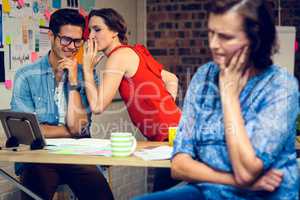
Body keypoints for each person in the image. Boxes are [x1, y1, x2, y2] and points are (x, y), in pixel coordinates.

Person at [134, 0, 299, 199]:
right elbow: (179, 165)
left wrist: (229, 96)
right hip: (211, 192)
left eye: (225, 37)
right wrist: (232, 180)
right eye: (211, 33)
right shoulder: (204, 76)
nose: (213, 45)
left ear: (256, 40)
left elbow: (246, 171)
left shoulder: (281, 85)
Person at [10, 8, 114, 200]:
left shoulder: (86, 77)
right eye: (66, 39)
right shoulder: (26, 76)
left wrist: (73, 81)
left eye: (77, 41)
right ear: (51, 35)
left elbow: (79, 128)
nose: (72, 47)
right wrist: (68, 131)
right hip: (39, 155)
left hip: (78, 154)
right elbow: (26, 132)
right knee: (34, 187)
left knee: (101, 193)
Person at [80, 8, 181, 191]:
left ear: (114, 31)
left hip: (172, 140)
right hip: (175, 134)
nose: (91, 36)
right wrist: (166, 106)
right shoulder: (133, 52)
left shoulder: (118, 56)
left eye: (97, 29)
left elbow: (97, 105)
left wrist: (86, 67)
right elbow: (171, 78)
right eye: (90, 31)